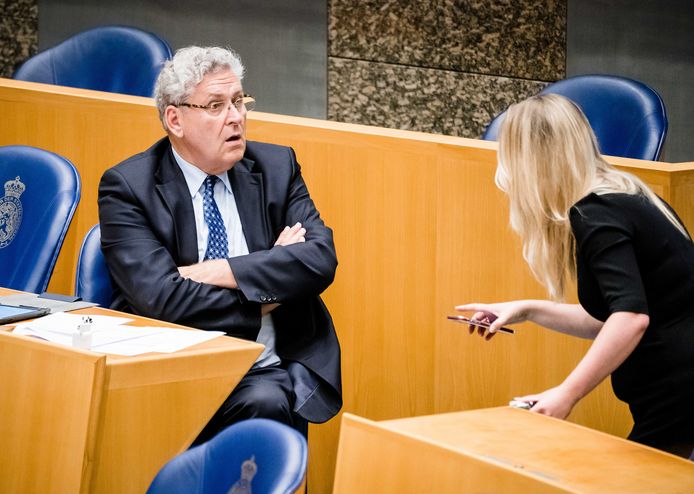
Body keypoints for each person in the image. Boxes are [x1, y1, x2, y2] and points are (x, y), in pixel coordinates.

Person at [98, 46, 341, 443]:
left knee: (267, 399)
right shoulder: (128, 187)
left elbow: (318, 260)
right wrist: (268, 285)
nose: (236, 117)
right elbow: (161, 300)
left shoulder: (276, 168)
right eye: (215, 106)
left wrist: (217, 271)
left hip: (263, 366)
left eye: (238, 101)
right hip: (170, 364)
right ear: (174, 119)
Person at [457, 94, 694, 458]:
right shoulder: (625, 193)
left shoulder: (595, 214)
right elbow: (612, 319)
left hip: (678, 390)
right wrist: (526, 309)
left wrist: (566, 394)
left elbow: (631, 319)